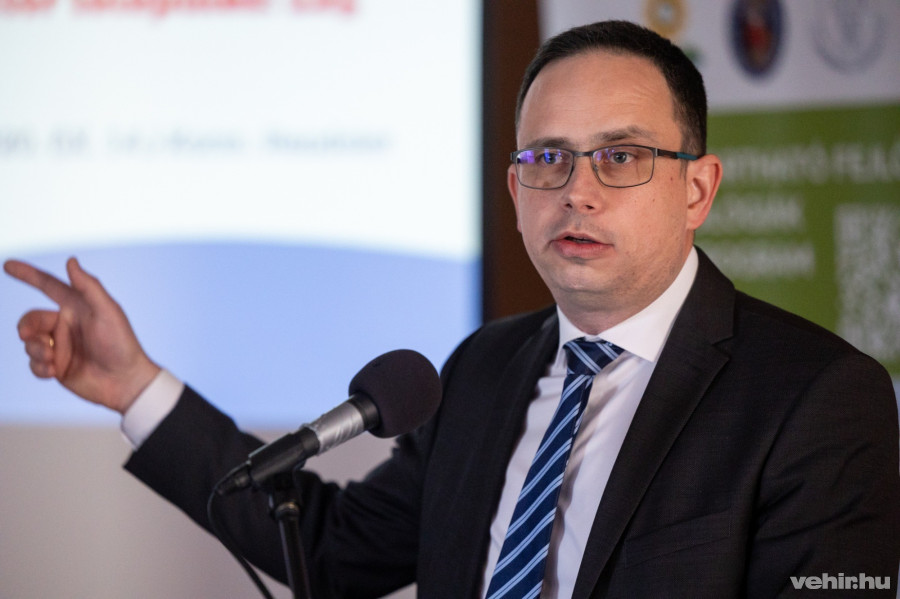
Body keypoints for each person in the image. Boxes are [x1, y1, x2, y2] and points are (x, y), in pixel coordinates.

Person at [5, 20, 899, 598]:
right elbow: (332, 549)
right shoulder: (483, 368)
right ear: (514, 189)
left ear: (697, 189)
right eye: (546, 158)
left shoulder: (818, 398)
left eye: (620, 157)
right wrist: (134, 385)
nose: (577, 191)